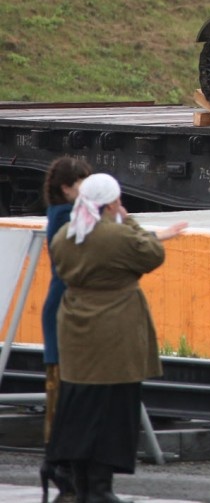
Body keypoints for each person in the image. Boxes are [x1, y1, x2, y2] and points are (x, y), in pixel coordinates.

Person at [47, 173, 187, 503]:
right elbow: (152, 254)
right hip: (114, 335)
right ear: (111, 203)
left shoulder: (66, 235)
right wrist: (129, 220)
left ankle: (80, 486)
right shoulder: (116, 235)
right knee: (111, 414)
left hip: (76, 331)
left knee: (80, 411)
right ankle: (100, 488)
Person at [40, 156, 92, 503]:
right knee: (60, 388)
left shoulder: (69, 215)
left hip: (67, 304)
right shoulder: (65, 218)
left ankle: (62, 463)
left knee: (68, 386)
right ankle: (57, 462)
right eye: (81, 185)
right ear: (66, 188)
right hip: (64, 306)